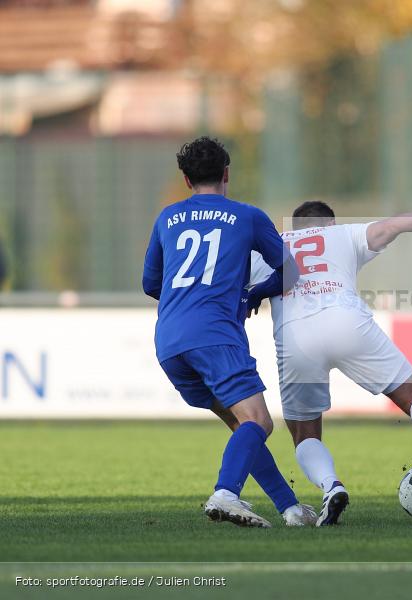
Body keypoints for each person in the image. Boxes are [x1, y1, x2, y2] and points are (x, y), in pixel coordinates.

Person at [248, 189, 412, 526]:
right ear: (329, 222)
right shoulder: (342, 234)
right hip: (348, 323)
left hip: (295, 335)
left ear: (293, 225)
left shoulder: (270, 246)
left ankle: (331, 487)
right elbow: (393, 226)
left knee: (305, 434)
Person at [142, 136, 316, 528]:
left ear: (186, 181)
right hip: (215, 335)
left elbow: (151, 283)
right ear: (226, 173)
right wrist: (253, 293)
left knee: (243, 426)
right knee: (259, 421)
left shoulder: (166, 218)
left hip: (169, 341)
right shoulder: (247, 216)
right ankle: (225, 494)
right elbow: (289, 271)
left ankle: (290, 509)